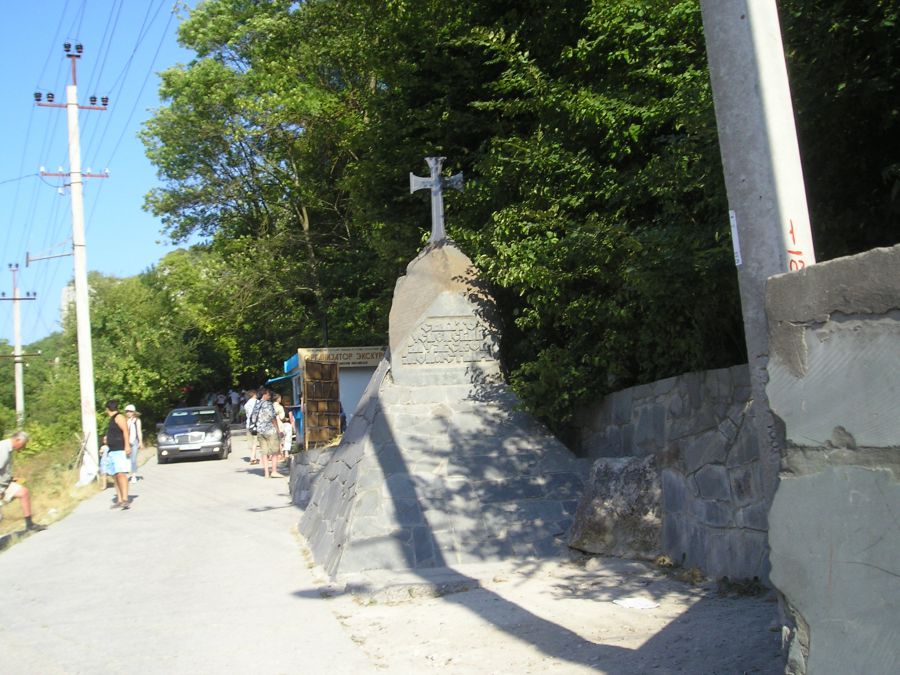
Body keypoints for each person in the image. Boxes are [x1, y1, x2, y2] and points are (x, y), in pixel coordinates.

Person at [0, 431, 46, 532]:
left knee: (23, 492)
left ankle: (30, 525)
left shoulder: (7, 448)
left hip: (5, 484)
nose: (24, 447)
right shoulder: (2, 449)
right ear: (17, 440)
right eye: (23, 444)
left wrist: (10, 478)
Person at [104, 400, 132, 509]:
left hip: (120, 449)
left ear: (108, 409)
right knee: (115, 475)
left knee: (121, 474)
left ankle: (125, 499)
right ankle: (119, 500)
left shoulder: (119, 417)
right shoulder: (112, 419)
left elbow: (125, 431)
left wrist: (127, 446)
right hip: (112, 450)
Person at [254, 388, 284, 478]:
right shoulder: (268, 404)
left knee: (264, 452)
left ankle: (266, 473)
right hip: (270, 430)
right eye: (268, 394)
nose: (270, 396)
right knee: (274, 451)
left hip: (260, 431)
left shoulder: (257, 404)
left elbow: (253, 417)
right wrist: (278, 430)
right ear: (264, 394)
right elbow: (273, 418)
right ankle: (274, 471)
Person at [125, 404, 144, 484]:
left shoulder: (137, 420)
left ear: (133, 412)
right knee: (126, 459)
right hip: (127, 442)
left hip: (134, 441)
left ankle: (133, 476)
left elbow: (139, 431)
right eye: (127, 411)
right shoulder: (125, 420)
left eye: (130, 411)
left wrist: (140, 442)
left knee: (133, 459)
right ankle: (125, 475)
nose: (128, 413)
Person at [243, 389, 259, 464]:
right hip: (256, 424)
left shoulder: (246, 404)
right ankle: (253, 458)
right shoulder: (258, 402)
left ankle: (254, 456)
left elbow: (247, 414)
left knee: (252, 441)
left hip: (249, 424)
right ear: (254, 395)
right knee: (255, 442)